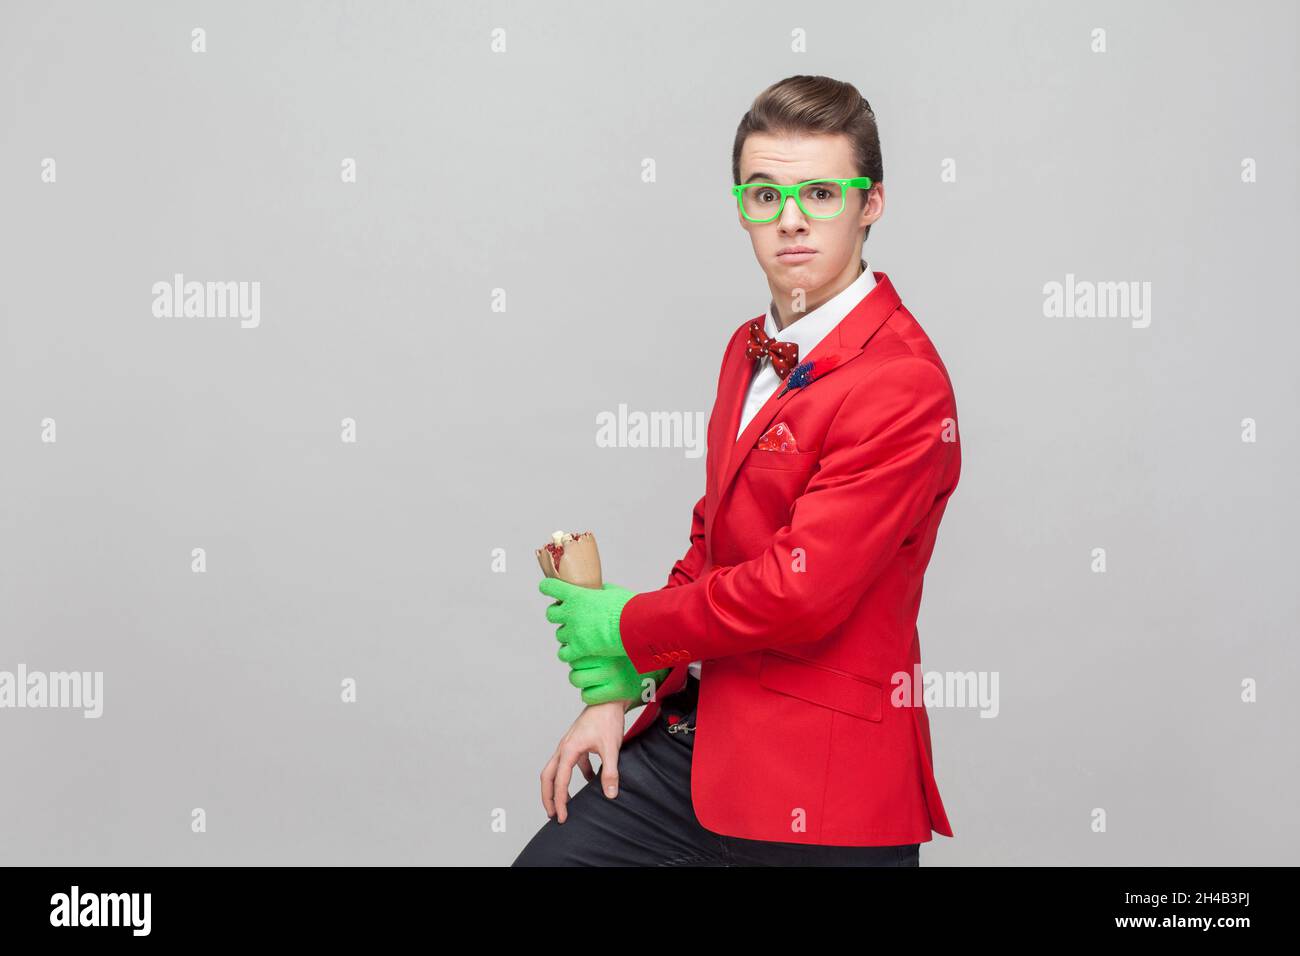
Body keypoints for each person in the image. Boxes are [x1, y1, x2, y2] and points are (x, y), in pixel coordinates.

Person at [514, 74, 961, 867]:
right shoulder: (743, 350)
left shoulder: (903, 381)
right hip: (692, 749)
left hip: (823, 788)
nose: (790, 219)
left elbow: (799, 592)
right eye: (764, 195)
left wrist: (623, 623)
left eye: (822, 193)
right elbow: (714, 542)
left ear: (872, 204)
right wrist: (615, 687)